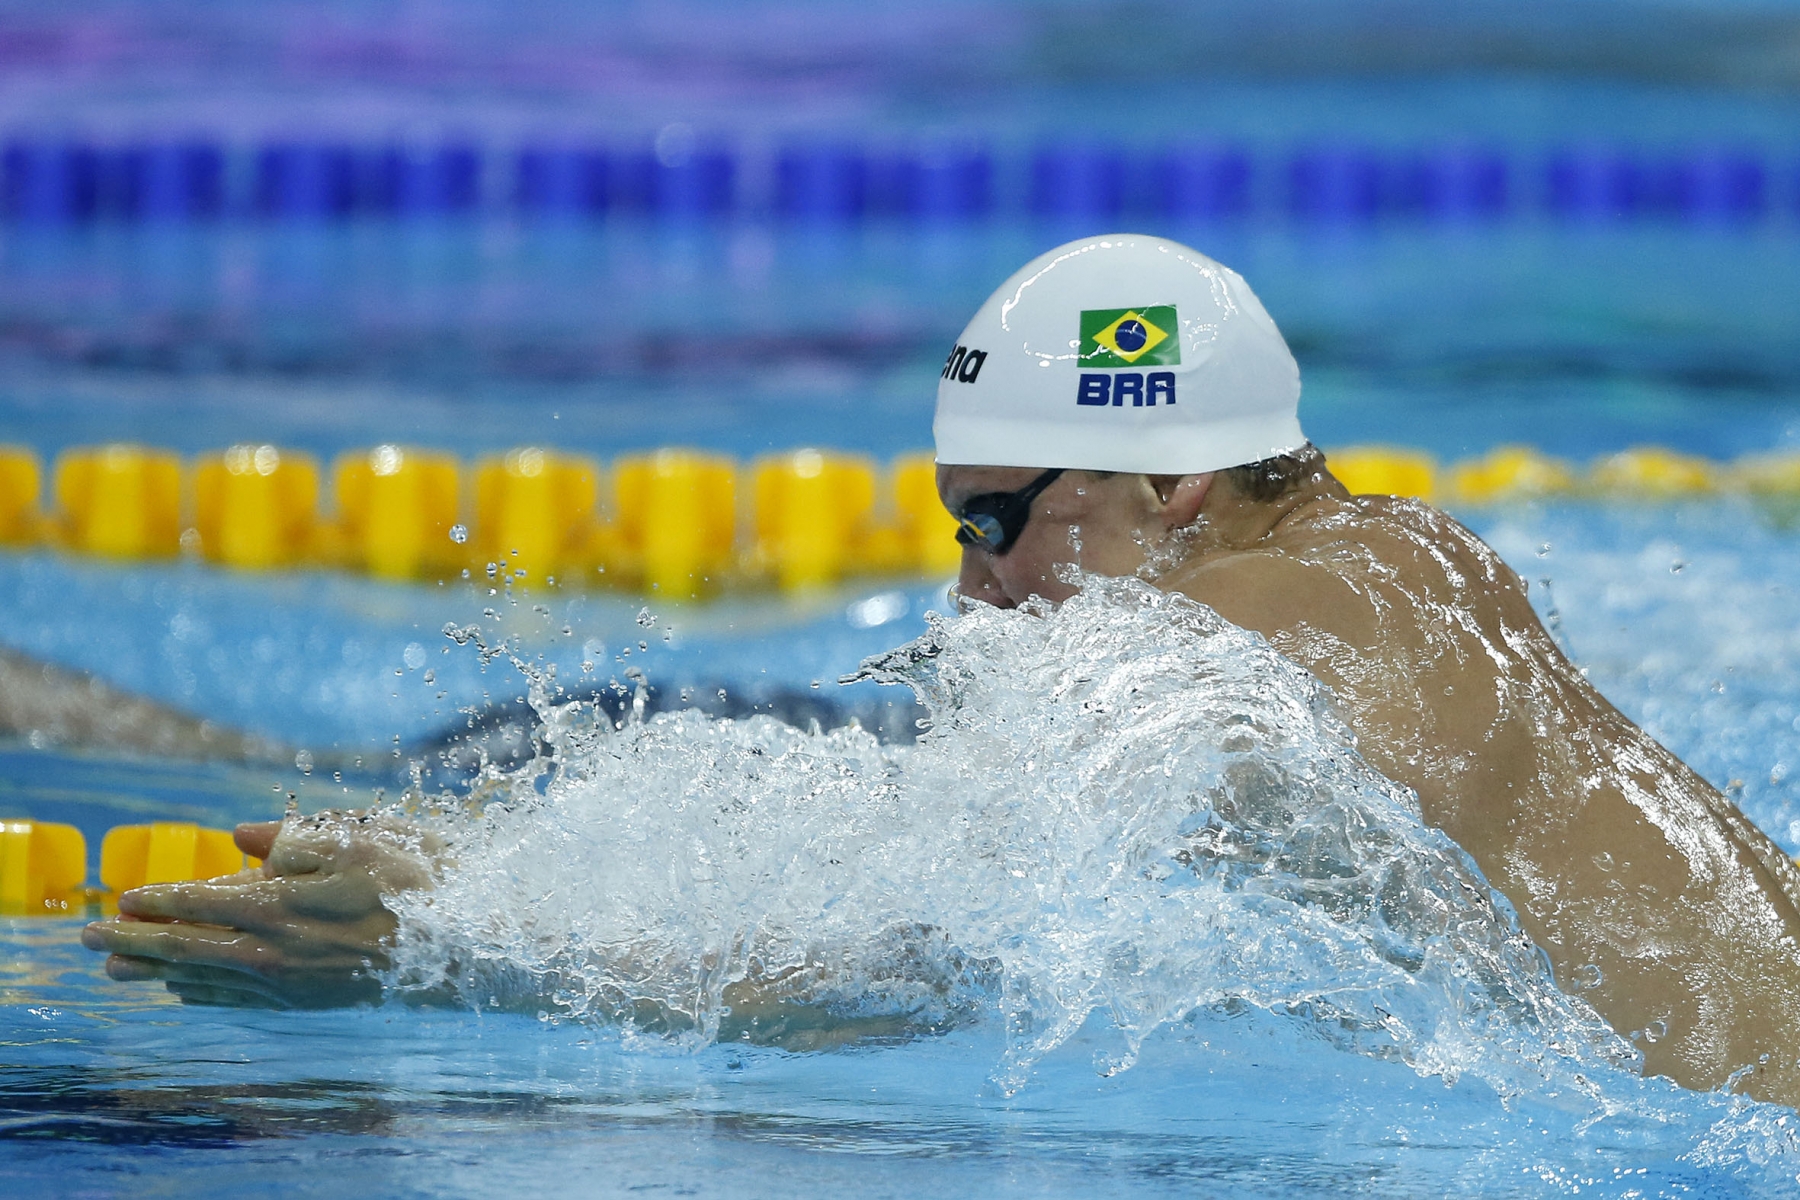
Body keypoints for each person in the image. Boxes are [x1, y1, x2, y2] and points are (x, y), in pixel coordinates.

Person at [85, 234, 1800, 1106]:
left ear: (1169, 480)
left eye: (997, 524)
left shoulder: (1246, 626)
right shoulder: (1414, 564)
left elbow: (928, 952)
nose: (975, 600)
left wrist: (458, 952)